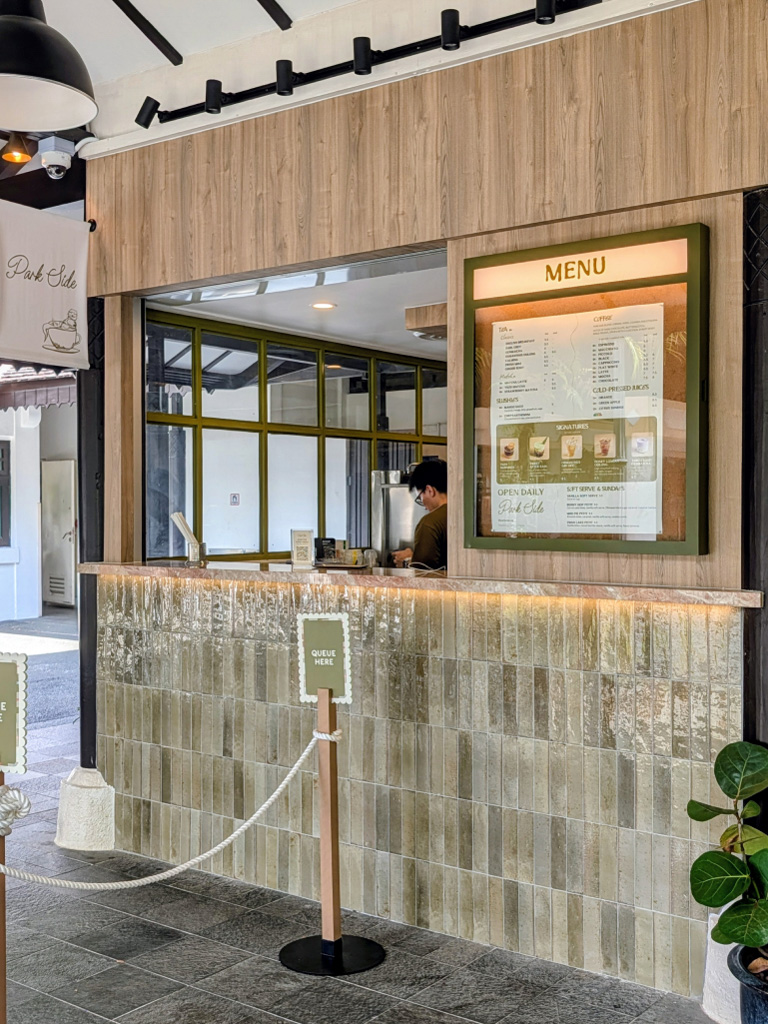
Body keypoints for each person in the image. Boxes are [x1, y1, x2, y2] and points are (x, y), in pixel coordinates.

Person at [393, 459, 447, 570]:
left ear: (429, 490)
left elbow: (422, 572)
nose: (423, 504)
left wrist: (407, 562)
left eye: (420, 497)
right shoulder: (469, 515)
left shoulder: (429, 523)